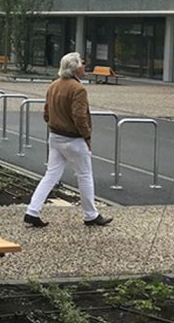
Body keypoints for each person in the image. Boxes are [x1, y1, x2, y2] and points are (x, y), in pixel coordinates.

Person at [24, 51, 112, 228]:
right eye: (82, 63)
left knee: (50, 175)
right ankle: (90, 214)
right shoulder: (78, 89)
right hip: (74, 139)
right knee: (84, 175)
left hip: (55, 137)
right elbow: (79, 116)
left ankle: (32, 210)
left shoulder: (54, 86)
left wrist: (53, 123)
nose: (84, 66)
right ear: (75, 68)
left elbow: (47, 112)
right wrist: (87, 135)